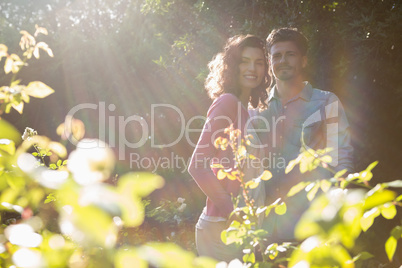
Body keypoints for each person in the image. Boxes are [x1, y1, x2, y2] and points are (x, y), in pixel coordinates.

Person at [254, 27, 354, 242]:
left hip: (312, 221)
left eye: (290, 54)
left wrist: (338, 205)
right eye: (276, 56)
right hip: (268, 225)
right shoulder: (257, 108)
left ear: (304, 61)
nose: (283, 60)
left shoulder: (326, 102)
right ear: (270, 63)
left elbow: (342, 156)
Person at [188, 35, 270, 262]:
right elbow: (197, 166)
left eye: (259, 62)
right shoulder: (228, 102)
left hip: (241, 228)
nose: (252, 68)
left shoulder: (247, 109)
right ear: (233, 66)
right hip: (221, 229)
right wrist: (234, 214)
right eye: (245, 61)